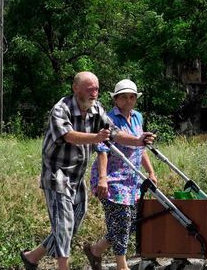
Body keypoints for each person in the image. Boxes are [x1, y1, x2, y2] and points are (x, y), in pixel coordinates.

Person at [20, 72, 150, 270]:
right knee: (64, 224)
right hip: (57, 174)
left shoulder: (96, 108)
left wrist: (138, 141)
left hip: (77, 176)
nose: (94, 93)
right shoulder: (61, 109)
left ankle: (32, 257)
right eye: (89, 89)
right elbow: (69, 135)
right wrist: (96, 138)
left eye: (96, 89)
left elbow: (113, 133)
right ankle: (63, 267)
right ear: (76, 89)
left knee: (72, 224)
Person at [82, 79, 157, 270]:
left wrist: (150, 171)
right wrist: (103, 179)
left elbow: (141, 148)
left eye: (132, 97)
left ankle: (96, 250)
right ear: (116, 99)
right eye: (123, 97)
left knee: (131, 222)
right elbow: (102, 149)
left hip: (131, 179)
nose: (128, 100)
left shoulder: (138, 117)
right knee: (122, 221)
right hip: (111, 178)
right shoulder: (108, 119)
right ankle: (122, 266)